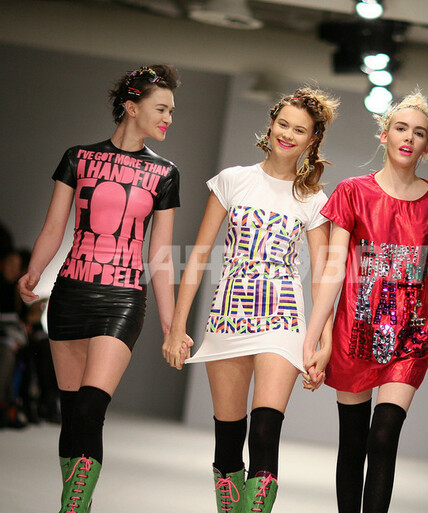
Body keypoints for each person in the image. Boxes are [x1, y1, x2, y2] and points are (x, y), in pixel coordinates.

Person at [162, 87, 338, 513]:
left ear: (312, 139)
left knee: (264, 433)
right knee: (228, 442)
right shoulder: (233, 180)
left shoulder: (314, 200)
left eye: (300, 130)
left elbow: (322, 278)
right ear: (271, 124)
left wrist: (324, 339)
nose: (288, 135)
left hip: (283, 321)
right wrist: (177, 327)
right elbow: (199, 255)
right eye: (283, 124)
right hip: (228, 316)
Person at [17, 64, 181, 512]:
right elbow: (55, 227)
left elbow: (160, 253)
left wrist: (172, 324)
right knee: (73, 414)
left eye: (171, 111)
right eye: (161, 109)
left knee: (91, 408)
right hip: (70, 292)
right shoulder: (77, 158)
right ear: (132, 107)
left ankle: (72, 508)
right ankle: (77, 505)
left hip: (123, 298)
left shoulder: (165, 173)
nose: (169, 118)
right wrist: (34, 271)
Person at [302, 90, 428, 513]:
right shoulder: (353, 192)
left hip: (411, 336)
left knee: (384, 437)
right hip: (355, 332)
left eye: (419, 133)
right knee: (353, 443)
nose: (409, 137)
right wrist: (315, 339)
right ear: (384, 135)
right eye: (401, 128)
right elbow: (333, 270)